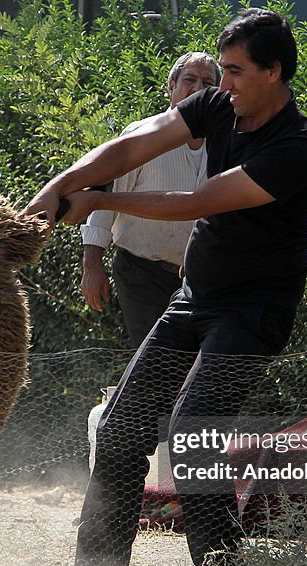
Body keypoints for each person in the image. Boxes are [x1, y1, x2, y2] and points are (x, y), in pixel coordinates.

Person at [26, 8, 307, 566]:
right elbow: (136, 144)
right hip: (195, 297)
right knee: (120, 429)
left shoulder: (295, 147)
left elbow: (196, 201)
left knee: (191, 441)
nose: (227, 83)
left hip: (251, 314)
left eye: (238, 72)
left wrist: (100, 199)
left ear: (274, 71)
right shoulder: (218, 107)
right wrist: (64, 181)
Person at [80, 52, 219, 348]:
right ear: (171, 86)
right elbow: (103, 200)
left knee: (194, 363)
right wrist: (92, 265)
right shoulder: (141, 135)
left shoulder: (226, 144)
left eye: (207, 83)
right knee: (157, 363)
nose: (197, 88)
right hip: (141, 272)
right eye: (189, 80)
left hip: (199, 277)